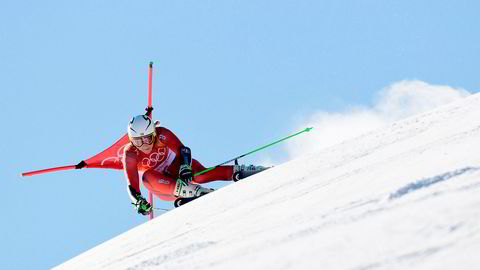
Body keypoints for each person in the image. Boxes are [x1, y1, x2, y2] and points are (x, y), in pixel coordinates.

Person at [123, 114, 268, 215]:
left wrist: (185, 167)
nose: (144, 145)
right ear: (131, 140)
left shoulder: (162, 134)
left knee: (199, 176)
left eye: (148, 139)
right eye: (138, 141)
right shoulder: (130, 153)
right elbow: (132, 185)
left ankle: (240, 170)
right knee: (147, 177)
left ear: (153, 134)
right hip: (162, 185)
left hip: (175, 166)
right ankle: (194, 191)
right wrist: (138, 202)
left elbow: (183, 150)